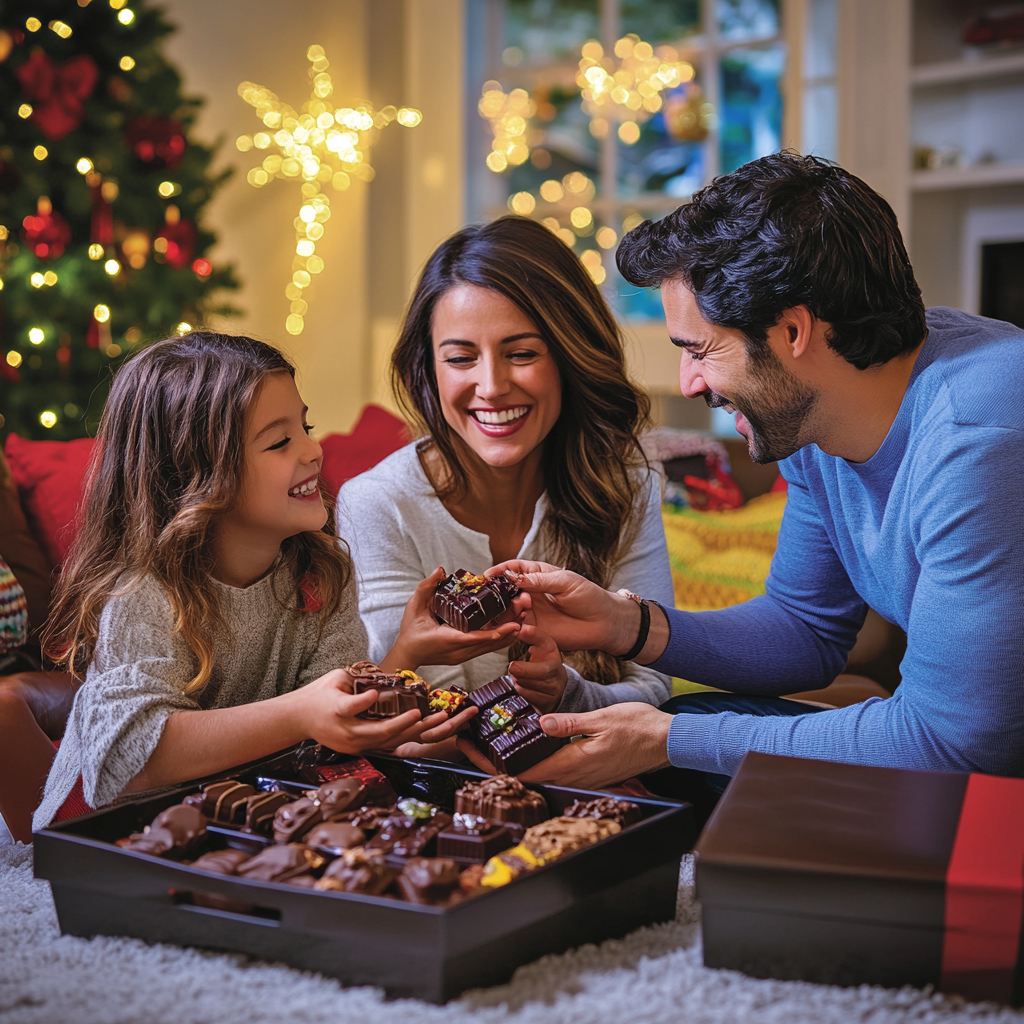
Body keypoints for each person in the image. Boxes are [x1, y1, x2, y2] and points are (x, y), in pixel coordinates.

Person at [481, 154, 1024, 799]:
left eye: (701, 351)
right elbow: (807, 628)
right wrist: (626, 625)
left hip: (987, 768)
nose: (688, 383)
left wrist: (667, 741)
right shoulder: (819, 410)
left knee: (679, 741)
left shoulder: (979, 440)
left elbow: (953, 744)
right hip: (969, 750)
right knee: (682, 732)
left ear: (793, 330)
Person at [33, 333, 472, 830]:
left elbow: (325, 731)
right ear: (194, 473)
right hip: (111, 833)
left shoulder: (323, 573)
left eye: (305, 427)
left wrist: (405, 659)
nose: (313, 450)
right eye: (280, 441)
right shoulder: (143, 594)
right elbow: (130, 763)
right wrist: (300, 713)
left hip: (240, 817)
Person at [337, 216, 673, 724]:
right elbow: (419, 709)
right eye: (460, 358)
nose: (491, 386)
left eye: (521, 353)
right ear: (428, 368)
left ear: (569, 356)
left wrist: (567, 694)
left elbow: (653, 687)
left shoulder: (625, 485)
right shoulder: (377, 505)